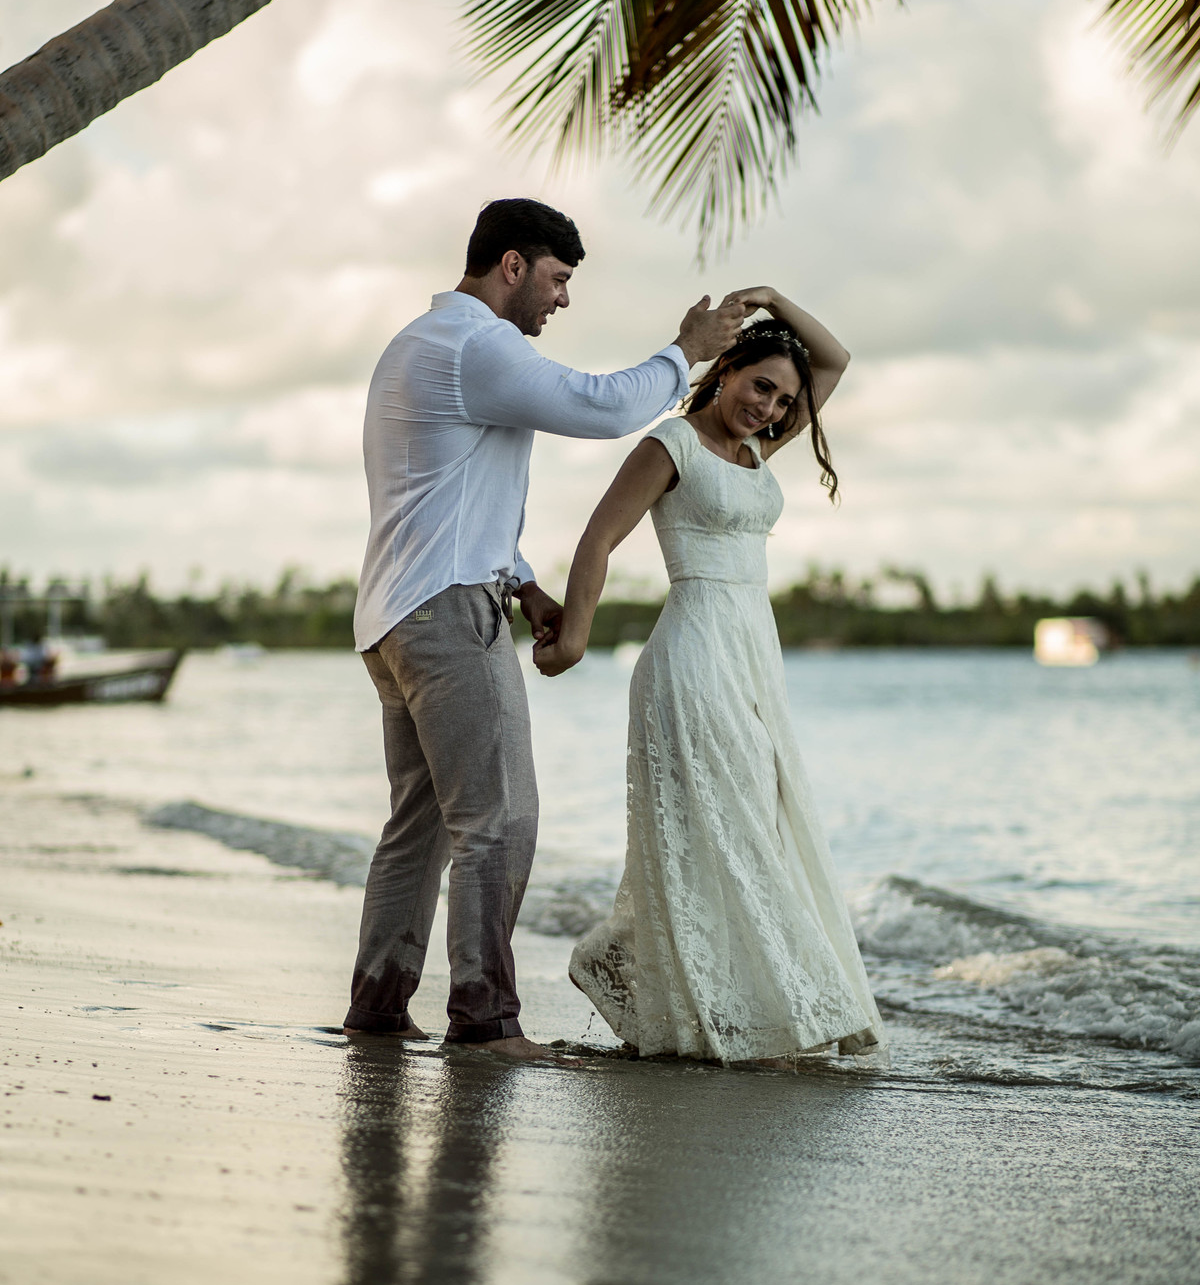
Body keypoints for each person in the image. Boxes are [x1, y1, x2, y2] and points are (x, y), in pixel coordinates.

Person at [343, 198, 748, 1059]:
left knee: (417, 827)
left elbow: (450, 494)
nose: (562, 301)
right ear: (513, 266)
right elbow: (602, 408)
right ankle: (483, 1023)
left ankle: (377, 1008)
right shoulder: (475, 345)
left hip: (395, 613)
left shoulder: (417, 345)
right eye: (558, 280)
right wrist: (689, 352)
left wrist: (526, 586)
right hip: (448, 614)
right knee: (500, 820)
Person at [534, 288, 886, 1066]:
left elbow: (834, 360)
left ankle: (636, 968)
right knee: (724, 835)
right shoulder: (674, 445)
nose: (770, 407)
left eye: (784, 400)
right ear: (724, 370)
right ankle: (752, 1016)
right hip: (691, 660)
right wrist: (575, 642)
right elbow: (598, 539)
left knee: (747, 827)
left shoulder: (758, 450)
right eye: (760, 385)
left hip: (754, 661)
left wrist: (772, 300)